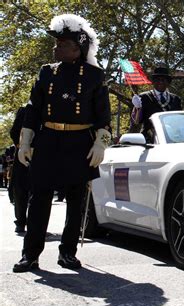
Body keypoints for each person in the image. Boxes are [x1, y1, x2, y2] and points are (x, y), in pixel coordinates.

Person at [13, 14, 111, 273]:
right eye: (56, 43)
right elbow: (33, 109)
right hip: (48, 141)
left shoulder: (94, 75)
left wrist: (100, 144)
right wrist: (25, 142)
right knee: (39, 199)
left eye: (62, 43)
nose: (55, 48)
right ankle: (30, 255)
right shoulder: (47, 72)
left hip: (80, 143)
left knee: (76, 202)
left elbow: (104, 116)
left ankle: (67, 252)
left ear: (78, 48)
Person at [130, 66, 182, 143]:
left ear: (168, 82)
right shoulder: (144, 97)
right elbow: (136, 121)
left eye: (163, 80)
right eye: (158, 80)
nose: (160, 82)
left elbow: (179, 121)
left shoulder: (175, 99)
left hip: (172, 138)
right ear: (153, 82)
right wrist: (137, 108)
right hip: (149, 139)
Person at [9, 105, 30, 233]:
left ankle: (35, 223)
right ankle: (20, 222)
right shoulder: (25, 111)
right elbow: (14, 131)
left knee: (39, 192)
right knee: (20, 191)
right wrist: (22, 147)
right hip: (23, 155)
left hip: (42, 156)